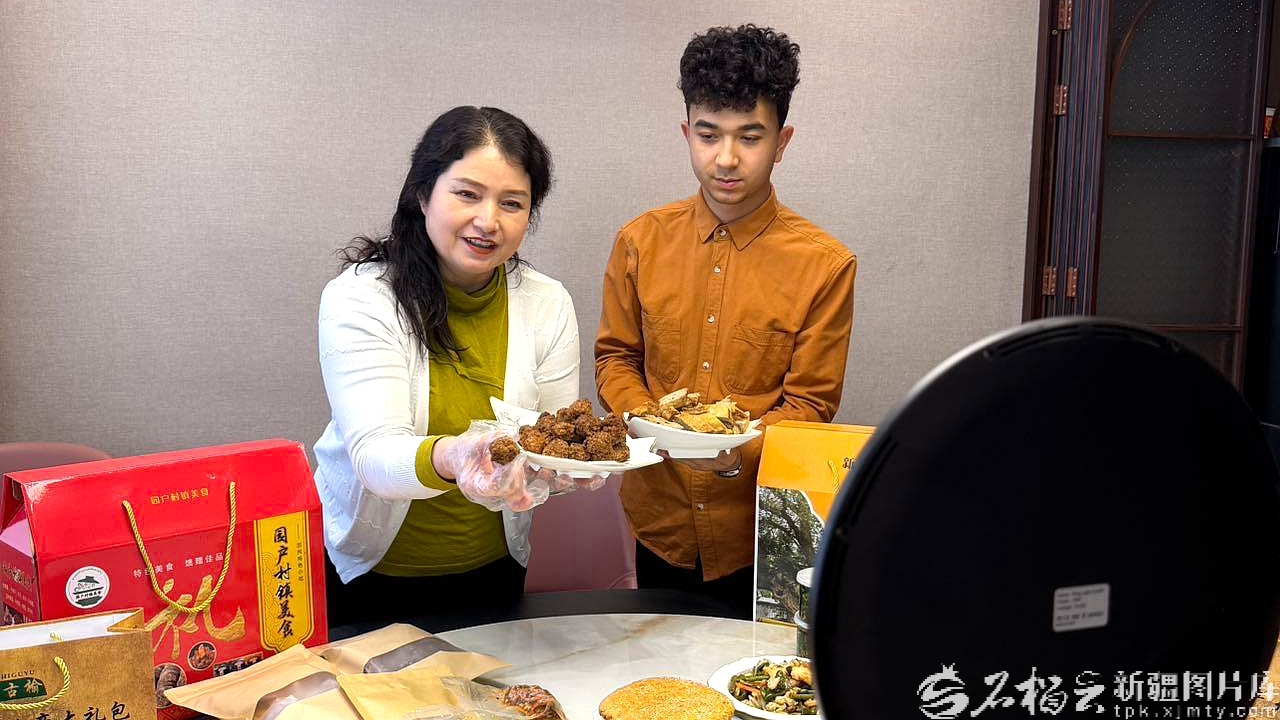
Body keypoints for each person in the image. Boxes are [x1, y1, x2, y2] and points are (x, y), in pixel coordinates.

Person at [594, 24, 858, 619]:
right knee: (659, 669)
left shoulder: (824, 264)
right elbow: (615, 358)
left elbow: (811, 404)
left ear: (782, 141)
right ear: (687, 132)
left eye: (750, 137)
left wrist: (733, 454)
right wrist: (649, 422)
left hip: (758, 531)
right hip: (658, 520)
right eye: (708, 135)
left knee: (754, 670)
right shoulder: (639, 242)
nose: (727, 158)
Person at [314, 105, 589, 628]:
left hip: (494, 568)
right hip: (370, 574)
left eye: (512, 203)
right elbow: (373, 456)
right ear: (423, 194)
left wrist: (567, 468)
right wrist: (455, 456)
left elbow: (552, 437)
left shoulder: (547, 302)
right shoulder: (361, 297)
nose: (488, 221)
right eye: (467, 194)